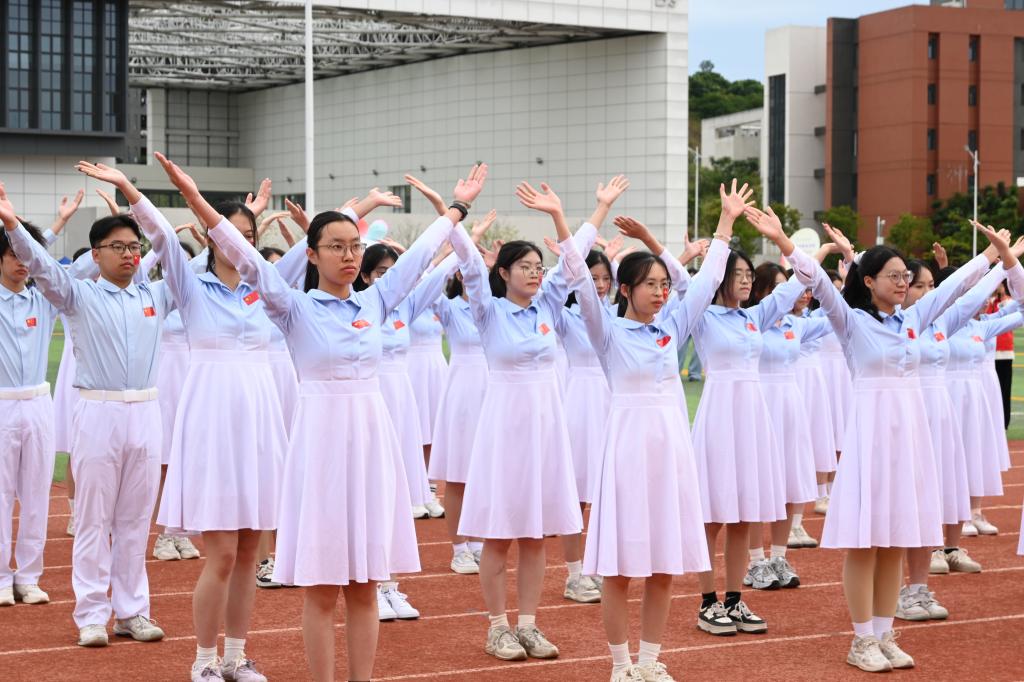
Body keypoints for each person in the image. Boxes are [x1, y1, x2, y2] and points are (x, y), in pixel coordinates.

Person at [173, 154, 486, 682]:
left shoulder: (378, 299)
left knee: (364, 584)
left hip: (369, 445)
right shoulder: (291, 305)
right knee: (321, 588)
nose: (347, 255)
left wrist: (456, 208)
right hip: (318, 446)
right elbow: (242, 252)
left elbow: (424, 254)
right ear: (312, 254)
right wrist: (195, 200)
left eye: (354, 246)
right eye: (336, 247)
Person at [779, 216, 1008, 673]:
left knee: (895, 541)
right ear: (868, 280)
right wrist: (785, 243)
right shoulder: (852, 321)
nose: (904, 283)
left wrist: (991, 256)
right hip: (870, 437)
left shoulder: (914, 318)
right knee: (865, 544)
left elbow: (950, 290)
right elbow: (820, 284)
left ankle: (884, 633)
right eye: (895, 276)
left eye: (907, 276)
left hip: (908, 438)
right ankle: (861, 639)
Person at [569, 196, 743, 682]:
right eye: (651, 285)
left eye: (665, 285)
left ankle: (649, 662)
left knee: (664, 568)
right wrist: (581, 216)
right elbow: (579, 279)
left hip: (670, 454)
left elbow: (708, 280)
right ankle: (621, 666)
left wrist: (725, 222)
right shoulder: (607, 330)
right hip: (626, 453)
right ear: (625, 289)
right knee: (621, 572)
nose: (661, 293)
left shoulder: (673, 326)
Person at [1, 180, 168, 648]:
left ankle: (133, 610)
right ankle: (92, 612)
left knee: (136, 519)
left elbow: (172, 250)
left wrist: (134, 197)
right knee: (94, 519)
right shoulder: (77, 296)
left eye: (134, 247)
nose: (130, 255)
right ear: (95, 255)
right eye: (117, 247)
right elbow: (37, 264)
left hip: (147, 411)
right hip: (98, 413)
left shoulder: (155, 296)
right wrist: (13, 224)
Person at [447, 180, 589, 663]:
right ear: (503, 272)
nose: (534, 273)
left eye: (537, 267)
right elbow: (467, 265)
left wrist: (559, 215)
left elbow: (574, 265)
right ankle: (497, 627)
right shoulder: (488, 313)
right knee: (500, 532)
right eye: (524, 267)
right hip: (503, 430)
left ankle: (528, 624)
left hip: (545, 429)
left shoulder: (549, 306)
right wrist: (455, 213)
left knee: (535, 533)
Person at [689, 186, 806, 636]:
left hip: (752, 416)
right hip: (720, 413)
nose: (743, 279)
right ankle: (706, 602)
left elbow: (803, 280)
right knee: (713, 516)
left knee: (742, 516)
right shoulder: (701, 314)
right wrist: (726, 223)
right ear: (721, 277)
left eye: (746, 274)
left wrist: (784, 243)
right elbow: (700, 279)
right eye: (735, 273)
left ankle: (734, 600)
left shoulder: (756, 316)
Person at [0, 220, 91, 607]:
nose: (22, 263)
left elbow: (79, 270)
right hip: (2, 404)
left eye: (27, 257)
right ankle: (2, 577)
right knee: (1, 497)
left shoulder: (44, 300)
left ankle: (30, 575)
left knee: (37, 494)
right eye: (13, 255)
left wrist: (50, 235)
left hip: (38, 404)